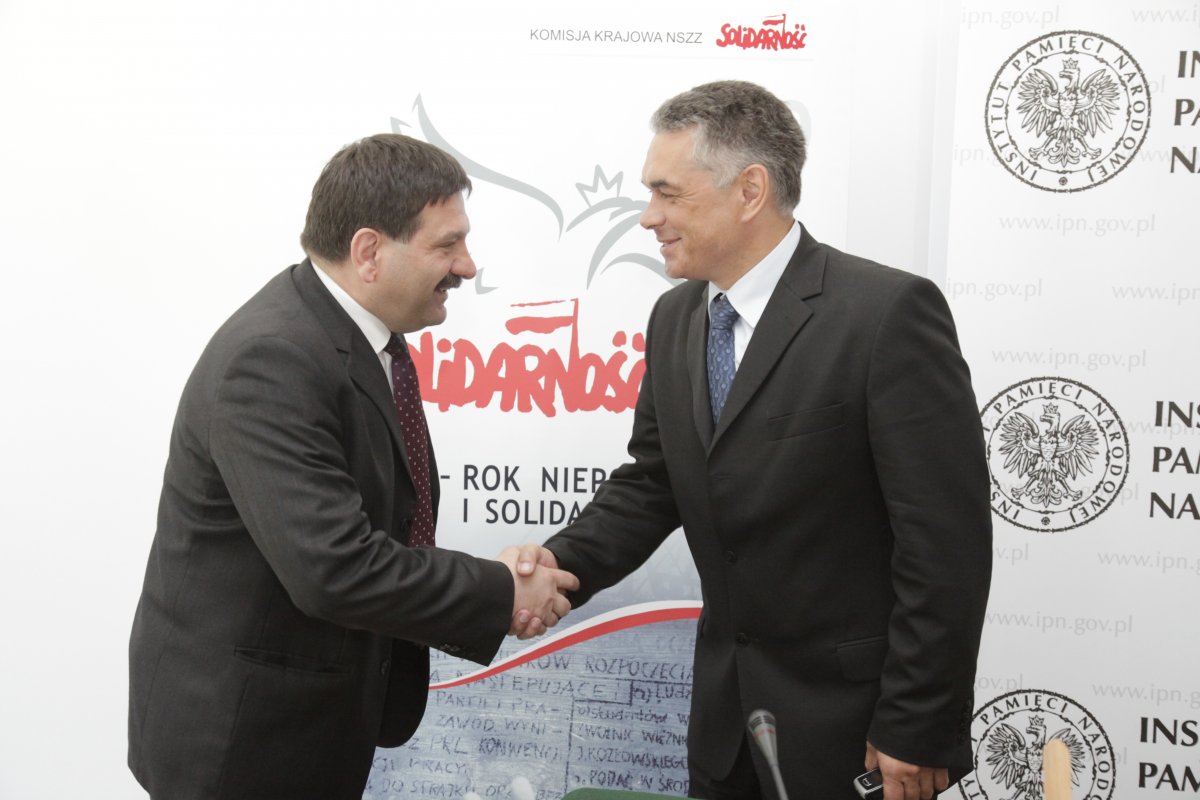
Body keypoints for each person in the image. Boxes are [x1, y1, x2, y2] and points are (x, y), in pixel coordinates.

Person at [514, 81, 992, 799]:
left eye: (668, 193)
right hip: (726, 729)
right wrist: (557, 566)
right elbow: (654, 482)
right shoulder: (675, 319)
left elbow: (945, 546)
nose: (649, 217)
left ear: (750, 190)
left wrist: (916, 723)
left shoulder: (886, 314)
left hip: (856, 734)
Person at [128, 133, 578, 800]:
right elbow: (334, 568)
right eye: (447, 244)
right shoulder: (272, 359)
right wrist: (500, 591)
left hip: (316, 721)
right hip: (243, 743)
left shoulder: (363, 340)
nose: (467, 265)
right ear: (369, 252)